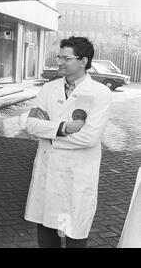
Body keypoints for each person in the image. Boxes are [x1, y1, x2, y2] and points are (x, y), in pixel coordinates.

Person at [25, 36, 111, 248]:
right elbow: (31, 125)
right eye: (59, 57)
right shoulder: (49, 89)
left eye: (66, 58)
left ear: (82, 61)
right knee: (47, 236)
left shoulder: (100, 94)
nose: (59, 62)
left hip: (75, 180)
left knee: (74, 237)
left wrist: (50, 133)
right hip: (48, 176)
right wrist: (62, 128)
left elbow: (90, 137)